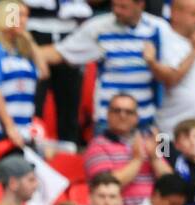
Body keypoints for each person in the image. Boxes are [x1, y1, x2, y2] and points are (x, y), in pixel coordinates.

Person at [41, 0, 176, 134]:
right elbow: (62, 52)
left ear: (140, 4)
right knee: (103, 155)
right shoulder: (99, 27)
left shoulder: (159, 28)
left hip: (146, 122)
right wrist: (27, 47)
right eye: (114, 6)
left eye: (123, 7)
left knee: (162, 154)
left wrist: (152, 63)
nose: (117, 11)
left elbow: (171, 78)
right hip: (107, 123)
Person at [0, 0, 42, 177]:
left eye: (26, 16)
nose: (23, 20)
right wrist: (9, 127)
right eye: (18, 15)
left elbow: (43, 71)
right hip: (0, 132)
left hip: (24, 132)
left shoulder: (21, 50)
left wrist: (29, 40)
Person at [83, 92, 172, 205]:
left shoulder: (155, 139)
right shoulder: (96, 145)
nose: (122, 116)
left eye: (129, 112)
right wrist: (137, 160)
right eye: (117, 111)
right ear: (108, 114)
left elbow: (172, 183)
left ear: (137, 117)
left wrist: (155, 159)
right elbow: (104, 186)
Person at [156, 0, 195, 137]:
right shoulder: (162, 40)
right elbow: (171, 80)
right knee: (160, 157)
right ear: (175, 13)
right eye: (193, 14)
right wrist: (194, 52)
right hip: (166, 130)